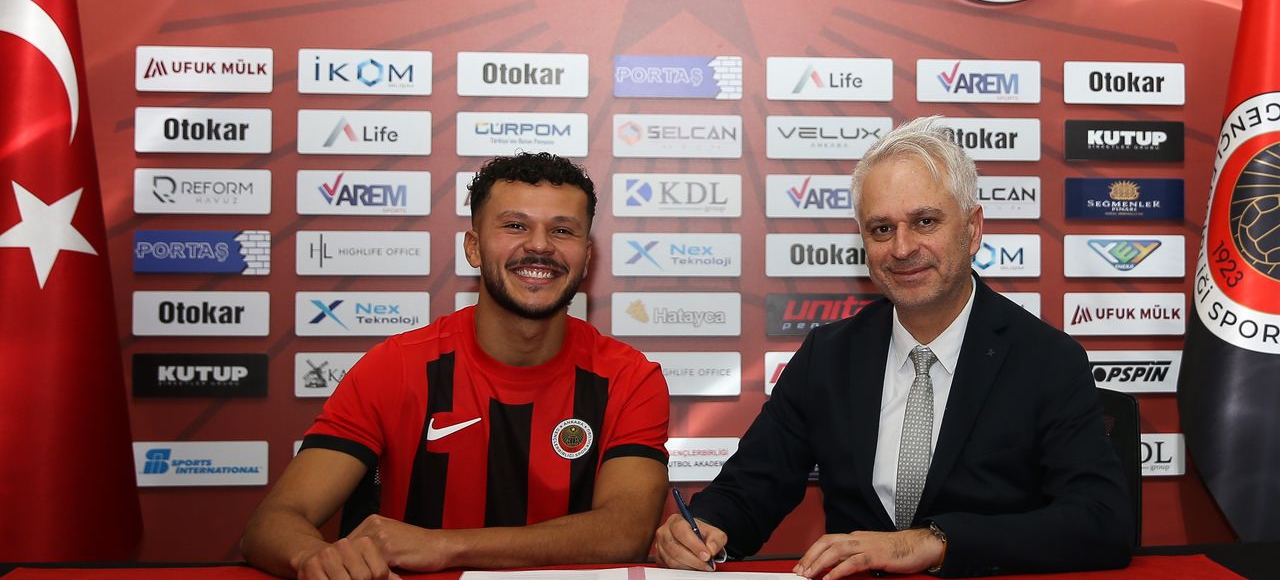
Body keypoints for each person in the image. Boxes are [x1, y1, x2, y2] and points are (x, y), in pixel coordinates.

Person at [654, 116, 1133, 577]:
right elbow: (749, 490)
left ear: (972, 229)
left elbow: (1101, 521)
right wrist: (702, 529)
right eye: (881, 229)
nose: (901, 249)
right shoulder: (828, 357)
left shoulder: (1046, 360)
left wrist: (932, 542)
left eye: (924, 221)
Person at [244, 152, 670, 580]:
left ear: (587, 257)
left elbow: (626, 531)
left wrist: (444, 545)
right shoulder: (397, 366)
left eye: (562, 230)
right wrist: (314, 558)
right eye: (515, 226)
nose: (540, 245)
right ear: (473, 248)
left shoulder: (629, 378)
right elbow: (274, 521)